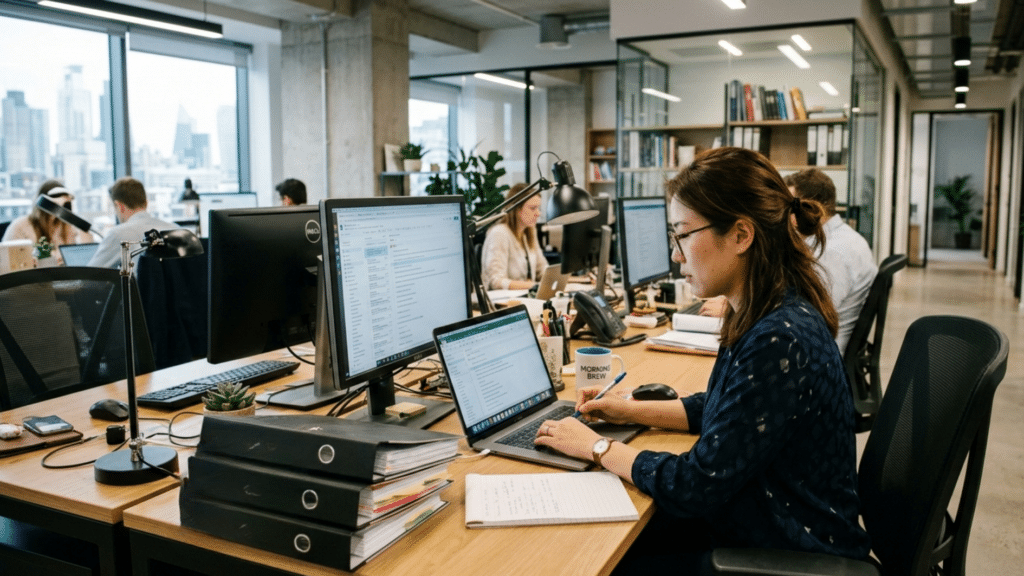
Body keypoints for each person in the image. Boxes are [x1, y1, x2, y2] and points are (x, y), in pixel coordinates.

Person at [535, 147, 870, 574]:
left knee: (597, 555)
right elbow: (721, 409)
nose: (676, 255)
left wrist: (597, 447)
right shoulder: (768, 307)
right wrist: (626, 409)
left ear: (741, 235)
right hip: (766, 522)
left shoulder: (778, 337)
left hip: (788, 548)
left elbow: (695, 484)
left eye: (683, 234)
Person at [784, 168, 877, 353]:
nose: (786, 215)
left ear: (812, 206)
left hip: (819, 352)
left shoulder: (833, 251)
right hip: (820, 340)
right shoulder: (841, 238)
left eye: (790, 207)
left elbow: (808, 314)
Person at [88, 177, 179, 269]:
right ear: (146, 203)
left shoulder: (119, 234)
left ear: (119, 206)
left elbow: (88, 277)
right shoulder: (176, 229)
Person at [2, 179, 95, 264]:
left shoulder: (66, 225)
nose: (59, 212)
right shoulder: (20, 227)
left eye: (64, 206)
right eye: (55, 206)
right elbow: (7, 262)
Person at [480, 183, 548, 290]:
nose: (538, 213)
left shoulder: (529, 232)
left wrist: (556, 279)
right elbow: (496, 281)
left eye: (538, 208)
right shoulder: (499, 233)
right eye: (533, 208)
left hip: (525, 298)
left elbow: (542, 268)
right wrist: (533, 286)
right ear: (517, 210)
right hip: (502, 302)